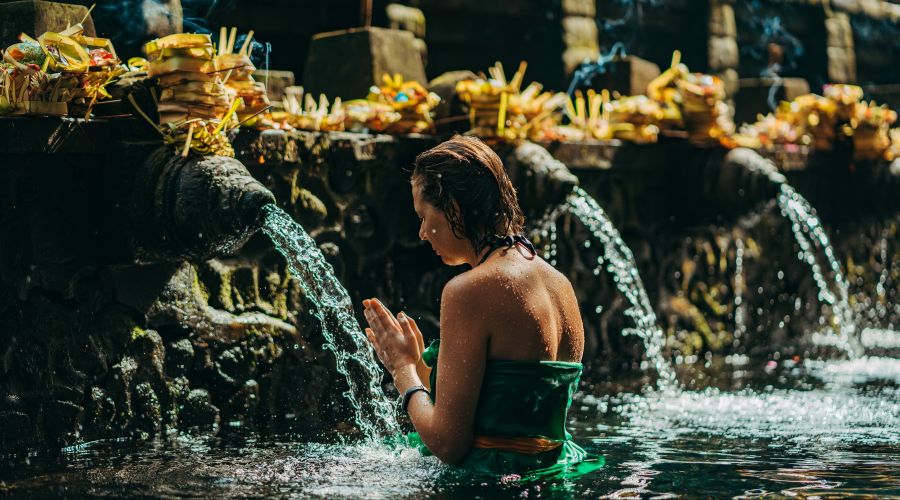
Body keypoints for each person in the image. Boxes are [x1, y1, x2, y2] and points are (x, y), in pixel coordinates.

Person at [362, 135, 599, 474]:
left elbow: (448, 443)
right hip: (555, 474)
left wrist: (402, 372)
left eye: (423, 216)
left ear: (454, 210)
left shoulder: (467, 291)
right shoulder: (560, 285)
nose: (421, 233)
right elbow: (502, 404)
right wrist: (418, 365)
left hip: (492, 483)